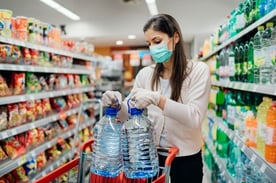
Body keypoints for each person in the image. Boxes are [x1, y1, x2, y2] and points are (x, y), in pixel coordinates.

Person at [102, 13, 211, 183]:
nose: (152, 48)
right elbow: (127, 114)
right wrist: (116, 105)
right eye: (149, 43)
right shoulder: (146, 74)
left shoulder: (198, 71)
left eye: (157, 41)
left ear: (175, 38)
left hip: (185, 160)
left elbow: (194, 117)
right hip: (150, 158)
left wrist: (158, 99)